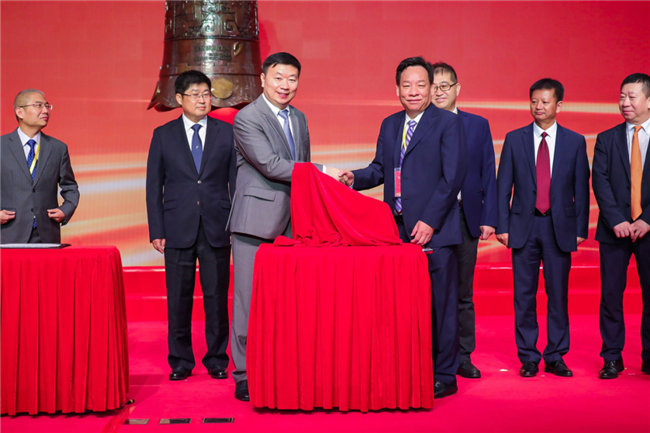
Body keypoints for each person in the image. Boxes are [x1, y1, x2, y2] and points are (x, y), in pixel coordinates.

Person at [339, 57, 467, 398]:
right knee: (403, 304)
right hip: (395, 231)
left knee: (440, 304)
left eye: (421, 85)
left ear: (431, 88)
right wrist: (353, 178)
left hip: (435, 230)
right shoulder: (391, 124)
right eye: (407, 85)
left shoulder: (447, 123)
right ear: (397, 89)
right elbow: (380, 169)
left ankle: (445, 374)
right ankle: (410, 366)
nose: (413, 91)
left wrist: (430, 220)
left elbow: (452, 177)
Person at [228, 52, 326, 401]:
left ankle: (280, 364)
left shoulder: (299, 117)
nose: (285, 85)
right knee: (248, 301)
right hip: (255, 224)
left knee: (286, 301)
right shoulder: (247, 117)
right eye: (278, 77)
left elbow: (302, 164)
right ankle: (243, 373)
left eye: (292, 79)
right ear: (263, 79)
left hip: (293, 224)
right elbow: (270, 165)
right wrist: (324, 173)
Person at [496, 79, 590, 378]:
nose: (538, 106)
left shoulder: (575, 141)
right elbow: (503, 186)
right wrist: (502, 225)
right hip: (522, 226)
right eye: (534, 101)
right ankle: (528, 356)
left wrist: (580, 228)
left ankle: (555, 355)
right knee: (523, 296)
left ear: (559, 105)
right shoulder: (515, 139)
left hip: (559, 227)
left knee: (557, 295)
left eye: (545, 101)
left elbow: (581, 189)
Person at [146, 70, 236, 382]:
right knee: (178, 299)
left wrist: (235, 225)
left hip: (217, 226)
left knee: (216, 298)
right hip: (176, 226)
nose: (202, 99)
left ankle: (217, 359)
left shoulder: (226, 133)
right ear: (179, 99)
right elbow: (153, 186)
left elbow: (235, 182)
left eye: (206, 94)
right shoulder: (163, 134)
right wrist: (157, 230)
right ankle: (181, 361)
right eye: (195, 94)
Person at [430, 62, 497, 379]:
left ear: (457, 88)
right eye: (433, 86)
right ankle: (432, 354)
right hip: (432, 221)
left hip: (466, 216)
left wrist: (489, 217)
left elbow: (488, 172)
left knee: (462, 292)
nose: (439, 91)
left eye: (445, 85)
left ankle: (463, 355)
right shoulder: (421, 125)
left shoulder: (478, 125)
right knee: (433, 291)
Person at [592, 73, 650, 379]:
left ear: (649, 101)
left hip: (649, 229)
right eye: (622, 96)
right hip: (615, 230)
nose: (625, 103)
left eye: (632, 97)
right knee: (611, 295)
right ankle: (612, 357)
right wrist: (617, 219)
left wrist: (647, 219)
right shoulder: (607, 138)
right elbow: (600, 181)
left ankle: (649, 356)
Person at [1, 89, 79, 244]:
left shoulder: (58, 148)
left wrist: (65, 210)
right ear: (20, 112)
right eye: (38, 105)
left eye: (47, 106)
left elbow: (70, 186)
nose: (45, 111)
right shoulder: (1, 146)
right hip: (8, 234)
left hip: (46, 235)